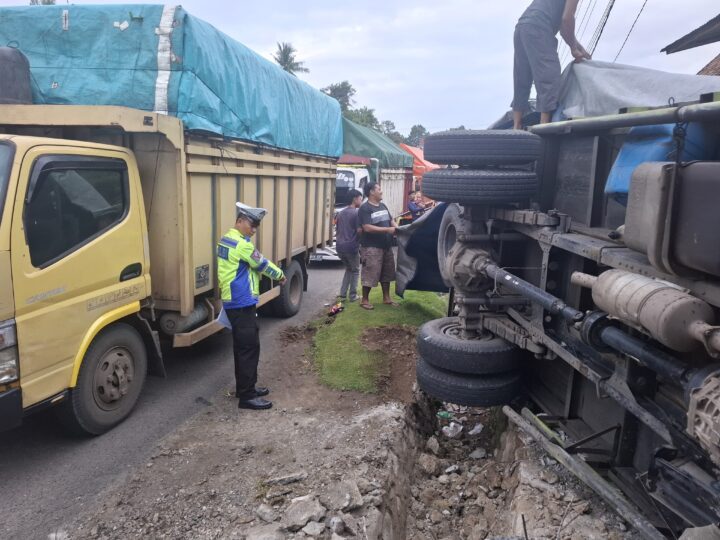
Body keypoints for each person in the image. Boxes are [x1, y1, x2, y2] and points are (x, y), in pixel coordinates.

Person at [217, 202, 286, 410]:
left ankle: (245, 388)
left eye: (256, 226)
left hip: (232, 300)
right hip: (241, 301)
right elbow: (262, 264)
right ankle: (247, 396)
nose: (254, 230)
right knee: (249, 348)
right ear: (239, 221)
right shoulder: (242, 244)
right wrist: (280, 276)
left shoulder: (226, 239)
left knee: (241, 347)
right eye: (251, 225)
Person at [512, 0, 591, 129]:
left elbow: (565, 29)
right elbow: (567, 19)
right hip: (539, 27)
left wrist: (578, 48)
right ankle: (545, 126)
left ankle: (516, 126)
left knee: (521, 78)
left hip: (522, 27)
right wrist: (573, 49)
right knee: (549, 76)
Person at [358, 182, 399, 310]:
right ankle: (364, 300)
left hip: (386, 246)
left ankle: (386, 298)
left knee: (387, 273)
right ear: (371, 192)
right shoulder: (365, 208)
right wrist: (387, 230)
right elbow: (367, 227)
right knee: (370, 272)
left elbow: (391, 220)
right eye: (379, 189)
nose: (381, 191)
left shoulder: (383, 205)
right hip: (371, 247)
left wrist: (398, 229)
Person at [335, 189, 363, 302]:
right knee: (355, 270)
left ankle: (342, 294)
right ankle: (353, 296)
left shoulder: (341, 213)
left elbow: (338, 230)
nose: (361, 200)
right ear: (355, 199)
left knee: (349, 269)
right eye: (360, 198)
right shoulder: (356, 213)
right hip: (351, 247)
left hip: (340, 247)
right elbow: (359, 231)